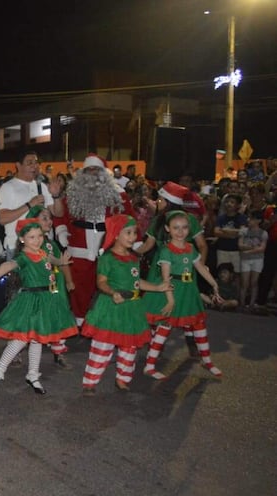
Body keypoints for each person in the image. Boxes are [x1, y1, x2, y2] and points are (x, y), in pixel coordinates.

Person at [0, 217, 78, 396]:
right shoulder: (23, 257)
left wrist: (60, 262)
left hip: (46, 299)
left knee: (37, 338)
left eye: (39, 236)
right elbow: (10, 264)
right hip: (30, 300)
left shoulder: (41, 253)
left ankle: (33, 374)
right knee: (22, 339)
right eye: (32, 237)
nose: (37, 240)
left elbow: (52, 259)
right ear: (22, 239)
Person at [80, 215, 171, 394]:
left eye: (134, 233)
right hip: (111, 307)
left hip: (132, 308)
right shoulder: (108, 258)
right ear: (115, 234)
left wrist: (158, 287)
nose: (133, 237)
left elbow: (137, 282)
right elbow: (101, 282)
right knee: (103, 346)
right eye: (128, 233)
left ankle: (123, 379)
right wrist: (113, 293)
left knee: (129, 347)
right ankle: (90, 381)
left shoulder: (133, 258)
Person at [142, 211, 224, 380]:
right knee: (164, 327)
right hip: (172, 291)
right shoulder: (166, 251)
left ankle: (207, 361)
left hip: (188, 290)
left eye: (184, 227)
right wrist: (171, 300)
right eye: (176, 228)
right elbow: (165, 279)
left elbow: (200, 267)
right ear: (167, 229)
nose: (181, 232)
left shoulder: (191, 248)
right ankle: (149, 366)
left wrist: (214, 284)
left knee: (199, 325)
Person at [55, 154, 134, 326]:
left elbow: (129, 219)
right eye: (88, 170)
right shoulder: (73, 193)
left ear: (104, 172)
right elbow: (61, 216)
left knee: (110, 284)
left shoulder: (118, 195)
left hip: (108, 246)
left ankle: (105, 321)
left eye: (96, 170)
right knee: (78, 286)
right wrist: (61, 231)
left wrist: (134, 242)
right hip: (79, 246)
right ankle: (80, 321)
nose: (92, 174)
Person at [0, 149, 63, 260]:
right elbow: (2, 219)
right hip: (18, 247)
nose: (34, 166)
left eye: (36, 162)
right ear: (18, 165)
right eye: (29, 163)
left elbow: (58, 213)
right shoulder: (8, 187)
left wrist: (56, 196)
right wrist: (29, 205)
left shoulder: (41, 186)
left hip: (41, 246)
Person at [238, 209, 267, 309]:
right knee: (244, 282)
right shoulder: (243, 231)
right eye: (249, 218)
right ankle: (242, 303)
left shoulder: (263, 233)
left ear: (258, 221)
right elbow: (240, 245)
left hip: (258, 259)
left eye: (251, 219)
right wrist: (253, 248)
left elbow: (262, 248)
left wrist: (248, 250)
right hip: (245, 259)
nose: (248, 220)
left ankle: (251, 304)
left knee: (254, 282)